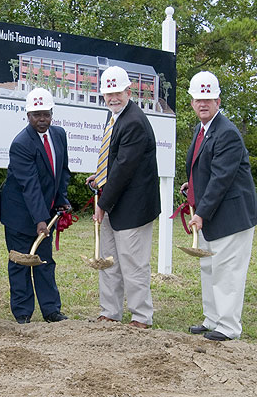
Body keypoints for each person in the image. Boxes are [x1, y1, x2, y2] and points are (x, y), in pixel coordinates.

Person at [183, 71, 257, 341]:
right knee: (209, 267)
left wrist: (200, 212)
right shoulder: (202, 128)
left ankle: (228, 327)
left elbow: (221, 179)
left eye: (209, 99)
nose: (203, 103)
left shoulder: (227, 133)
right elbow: (201, 168)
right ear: (192, 102)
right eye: (198, 99)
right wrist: (190, 187)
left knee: (227, 271)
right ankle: (212, 318)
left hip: (231, 215)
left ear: (218, 101)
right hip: (212, 213)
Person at [86, 66, 160, 329]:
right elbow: (113, 162)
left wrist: (102, 205)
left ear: (129, 91)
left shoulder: (134, 122)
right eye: (108, 93)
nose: (113, 98)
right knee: (109, 261)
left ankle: (141, 316)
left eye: (117, 92)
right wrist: (99, 177)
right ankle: (110, 311)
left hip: (134, 207)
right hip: (116, 202)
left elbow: (125, 169)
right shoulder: (116, 116)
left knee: (133, 263)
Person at [1, 87, 70, 324]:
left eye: (46, 114)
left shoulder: (59, 135)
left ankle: (51, 310)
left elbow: (62, 173)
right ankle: (22, 313)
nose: (42, 120)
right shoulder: (21, 143)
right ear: (27, 115)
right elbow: (29, 185)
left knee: (45, 262)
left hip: (45, 212)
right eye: (36, 115)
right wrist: (41, 219)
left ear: (52, 113)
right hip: (19, 214)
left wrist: (61, 201)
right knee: (20, 263)